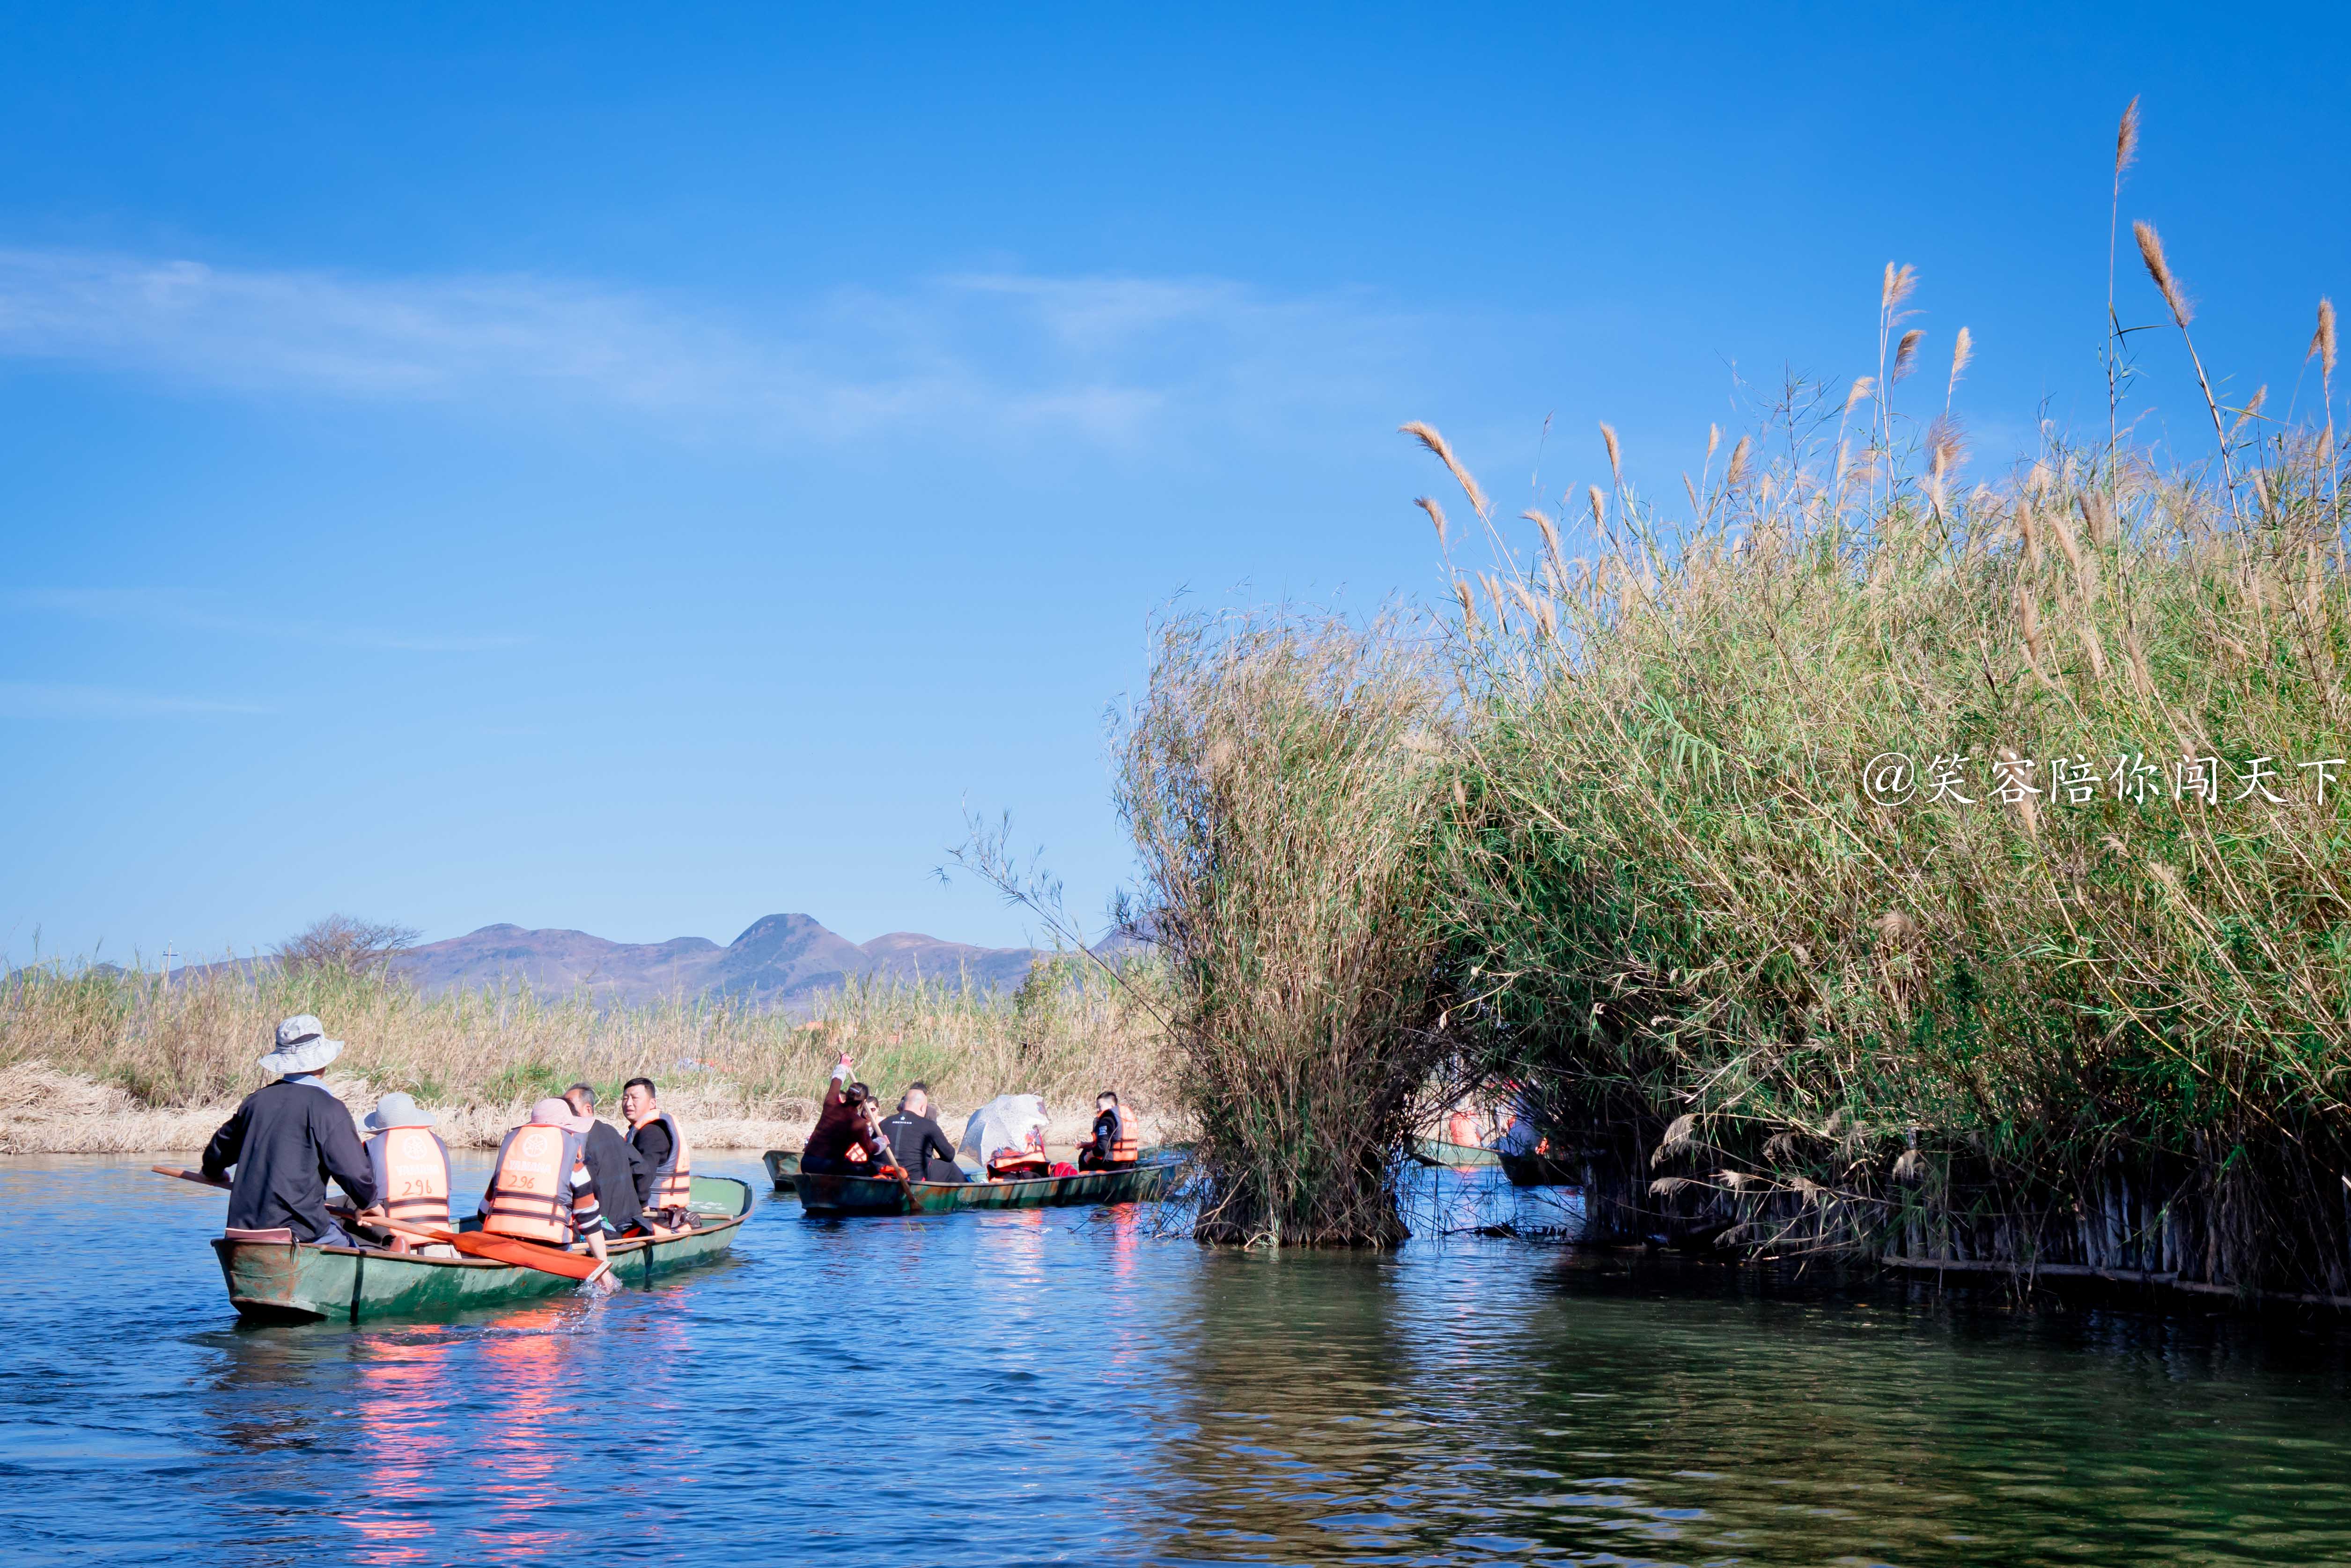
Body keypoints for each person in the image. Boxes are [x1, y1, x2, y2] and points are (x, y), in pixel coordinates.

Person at [201, 1015, 376, 1246]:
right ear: (323, 1062)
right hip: (302, 1232)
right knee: (355, 1248)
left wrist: (213, 1171)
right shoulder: (328, 1108)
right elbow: (353, 1172)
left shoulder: (255, 1102)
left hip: (242, 1230)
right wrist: (369, 1203)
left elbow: (219, 1150)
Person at [479, 1098, 608, 1266]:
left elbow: (482, 1214)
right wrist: (603, 1266)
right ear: (567, 1129)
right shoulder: (574, 1163)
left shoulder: (508, 1159)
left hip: (501, 1247)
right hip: (549, 1250)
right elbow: (589, 1222)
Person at [355, 1091, 453, 1250]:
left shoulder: (371, 1148)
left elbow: (362, 1191)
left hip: (393, 1241)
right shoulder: (438, 1144)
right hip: (440, 1238)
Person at [564, 1082, 652, 1236]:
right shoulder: (612, 1132)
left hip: (605, 1228)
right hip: (633, 1222)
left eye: (571, 1108)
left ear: (588, 1109)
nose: (566, 1113)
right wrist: (643, 1204)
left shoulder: (577, 1141)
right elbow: (641, 1168)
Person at [801, 1053, 893, 1174]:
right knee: (871, 1167)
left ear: (848, 1095)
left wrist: (843, 1064)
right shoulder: (859, 1123)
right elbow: (871, 1149)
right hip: (827, 1167)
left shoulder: (831, 1103)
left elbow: (836, 1080)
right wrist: (882, 1142)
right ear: (864, 1102)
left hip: (807, 1163)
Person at [620, 1076, 694, 1221]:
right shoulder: (643, 1130)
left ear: (652, 1103)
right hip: (658, 1210)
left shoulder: (652, 1132)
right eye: (625, 1098)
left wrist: (641, 1203)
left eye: (635, 1098)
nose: (629, 1103)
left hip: (656, 1213)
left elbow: (644, 1172)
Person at [878, 1082, 965, 1183]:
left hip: (884, 1175)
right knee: (950, 1166)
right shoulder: (929, 1125)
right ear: (923, 1108)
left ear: (903, 1104)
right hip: (914, 1178)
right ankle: (968, 1196)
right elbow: (949, 1155)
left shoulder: (884, 1123)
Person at [1076, 1090, 1137, 1170]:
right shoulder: (1123, 1118)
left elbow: (1102, 1148)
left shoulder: (1107, 1119)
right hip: (1129, 1163)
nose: (1098, 1109)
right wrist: (1086, 1144)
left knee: (1085, 1154)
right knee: (1088, 1149)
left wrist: (1087, 1157)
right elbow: (1111, 1143)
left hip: (1113, 1165)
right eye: (1097, 1107)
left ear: (1111, 1106)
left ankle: (1085, 1180)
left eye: (1100, 1106)